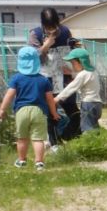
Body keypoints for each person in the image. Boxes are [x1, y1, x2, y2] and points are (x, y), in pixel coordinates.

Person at [0, 44, 58, 170]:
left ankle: (21, 160)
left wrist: (2, 109)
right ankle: (39, 162)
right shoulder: (43, 80)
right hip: (39, 111)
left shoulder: (17, 78)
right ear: (36, 62)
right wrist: (54, 113)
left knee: (22, 138)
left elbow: (9, 95)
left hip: (21, 111)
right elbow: (50, 99)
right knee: (38, 139)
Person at [29, 8, 74, 150]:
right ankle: (54, 141)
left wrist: (72, 70)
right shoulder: (35, 34)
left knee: (71, 106)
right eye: (48, 27)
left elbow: (72, 50)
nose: (51, 30)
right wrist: (46, 45)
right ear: (43, 24)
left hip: (64, 76)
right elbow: (32, 57)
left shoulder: (65, 31)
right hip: (45, 78)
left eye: (54, 26)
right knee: (50, 110)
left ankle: (73, 136)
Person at [55, 47, 104, 133]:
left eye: (73, 63)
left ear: (81, 62)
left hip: (88, 104)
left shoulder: (82, 75)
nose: (72, 66)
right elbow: (83, 78)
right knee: (94, 127)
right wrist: (72, 73)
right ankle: (97, 143)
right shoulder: (93, 72)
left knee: (87, 128)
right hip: (97, 104)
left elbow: (72, 87)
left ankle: (88, 145)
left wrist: (58, 98)